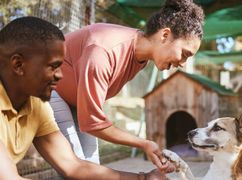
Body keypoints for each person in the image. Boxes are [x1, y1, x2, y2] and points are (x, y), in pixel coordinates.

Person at [0, 16, 171, 179]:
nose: (60, 76)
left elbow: (74, 167)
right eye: (52, 67)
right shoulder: (102, 50)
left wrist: (145, 178)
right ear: (18, 65)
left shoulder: (36, 106)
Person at [50, 0, 204, 168]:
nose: (182, 63)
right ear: (165, 35)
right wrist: (143, 144)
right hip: (49, 89)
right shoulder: (103, 51)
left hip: (76, 103)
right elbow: (93, 123)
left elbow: (91, 120)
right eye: (184, 54)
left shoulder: (141, 57)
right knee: (76, 168)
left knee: (91, 166)